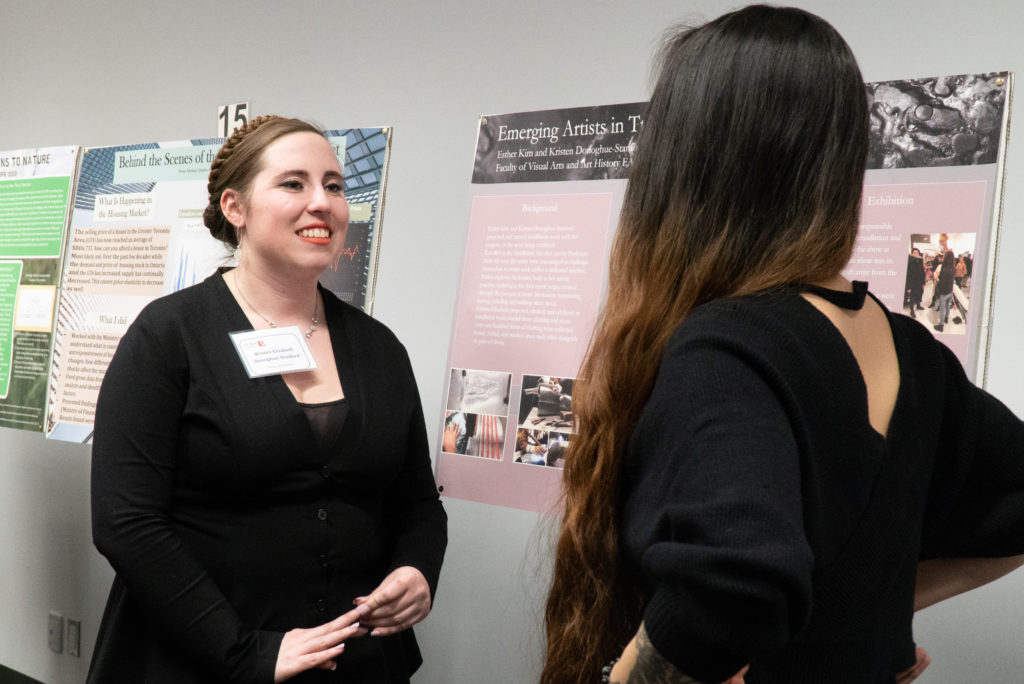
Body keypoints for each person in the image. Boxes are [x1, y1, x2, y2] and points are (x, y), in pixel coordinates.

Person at [541, 7, 1024, 684]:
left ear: (689, 164)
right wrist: (863, 622)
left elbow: (731, 588)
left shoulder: (726, 349)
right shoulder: (911, 349)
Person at [88, 116, 447, 683]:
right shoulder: (169, 336)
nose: (321, 203)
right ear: (235, 208)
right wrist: (242, 651)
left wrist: (418, 569)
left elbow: (419, 504)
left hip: (356, 663)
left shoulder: (379, 349)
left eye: (334, 185)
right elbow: (125, 522)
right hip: (200, 659)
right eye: (293, 184)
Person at [934, 250, 956, 332]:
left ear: (946, 257)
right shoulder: (953, 267)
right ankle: (946, 318)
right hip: (950, 290)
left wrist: (937, 279)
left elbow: (942, 282)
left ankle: (941, 325)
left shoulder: (943, 267)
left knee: (942, 308)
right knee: (948, 305)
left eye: (944, 256)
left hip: (944, 291)